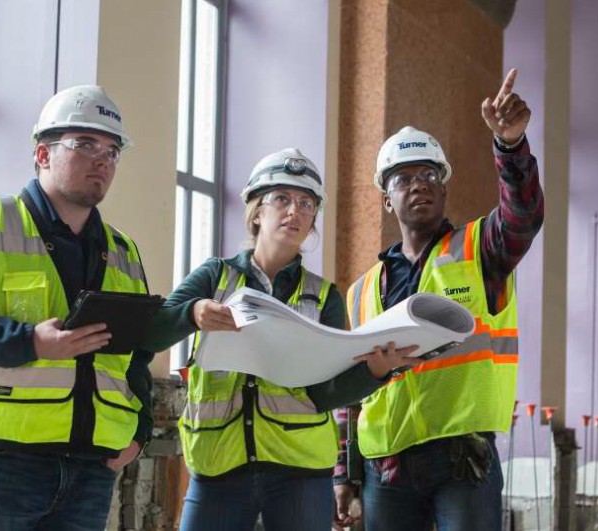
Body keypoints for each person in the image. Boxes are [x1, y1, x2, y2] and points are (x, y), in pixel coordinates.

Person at [0, 85, 153, 531]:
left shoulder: (122, 251)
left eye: (113, 151)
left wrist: (140, 432)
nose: (103, 159)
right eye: (85, 145)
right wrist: (29, 341)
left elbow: (138, 352)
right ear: (42, 154)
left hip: (90, 467)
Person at [142, 148, 417, 531]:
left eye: (306, 204)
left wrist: (374, 371)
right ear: (257, 211)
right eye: (282, 199)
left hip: (299, 472)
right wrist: (192, 313)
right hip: (217, 463)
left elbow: (325, 393)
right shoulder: (214, 278)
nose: (295, 211)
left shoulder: (324, 297)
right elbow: (152, 332)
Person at [333, 69, 546, 530]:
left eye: (429, 174)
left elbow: (523, 216)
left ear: (444, 186)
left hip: (461, 462)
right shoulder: (362, 290)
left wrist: (510, 147)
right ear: (387, 199)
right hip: (384, 468)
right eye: (403, 178)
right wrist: (343, 474)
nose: (419, 184)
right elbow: (350, 390)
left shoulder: (480, 250)